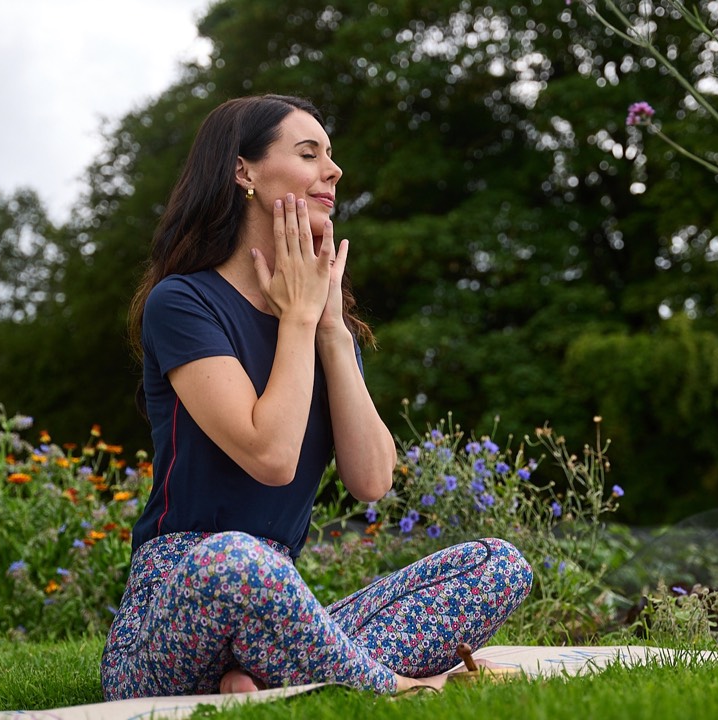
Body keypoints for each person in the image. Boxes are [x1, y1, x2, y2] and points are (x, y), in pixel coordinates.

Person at [101, 94, 533, 700]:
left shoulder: (324, 328)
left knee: (496, 566)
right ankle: (397, 688)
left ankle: (267, 675)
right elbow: (270, 457)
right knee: (240, 561)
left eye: (330, 155)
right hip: (181, 603)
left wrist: (330, 330)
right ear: (243, 171)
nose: (333, 170)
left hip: (279, 606)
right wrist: (299, 321)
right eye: (309, 154)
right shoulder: (184, 303)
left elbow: (373, 480)